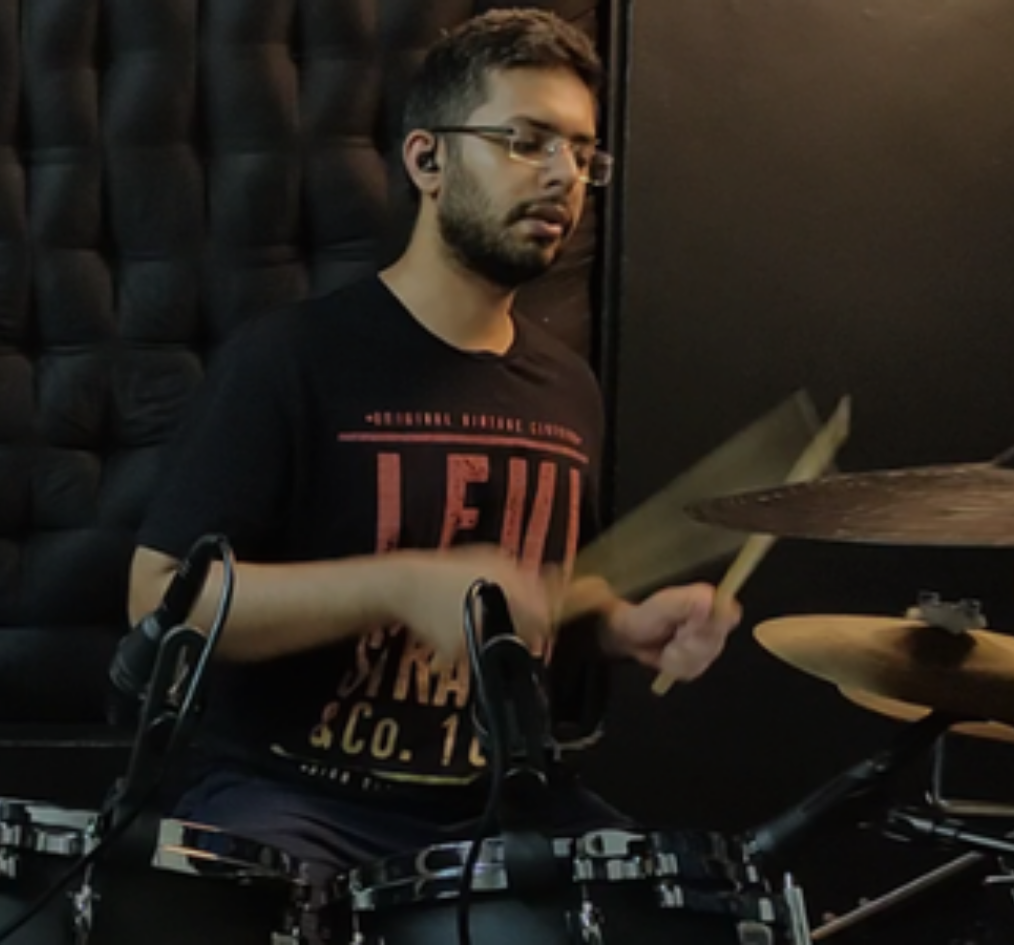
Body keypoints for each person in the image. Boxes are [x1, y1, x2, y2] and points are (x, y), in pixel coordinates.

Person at [128, 6, 741, 903]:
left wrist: (616, 623)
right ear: (427, 160)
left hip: (504, 803)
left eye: (581, 153)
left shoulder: (567, 389)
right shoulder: (291, 360)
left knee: (689, 904)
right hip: (295, 795)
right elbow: (158, 598)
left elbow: (526, 597)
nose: (563, 176)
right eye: (526, 141)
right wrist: (394, 584)